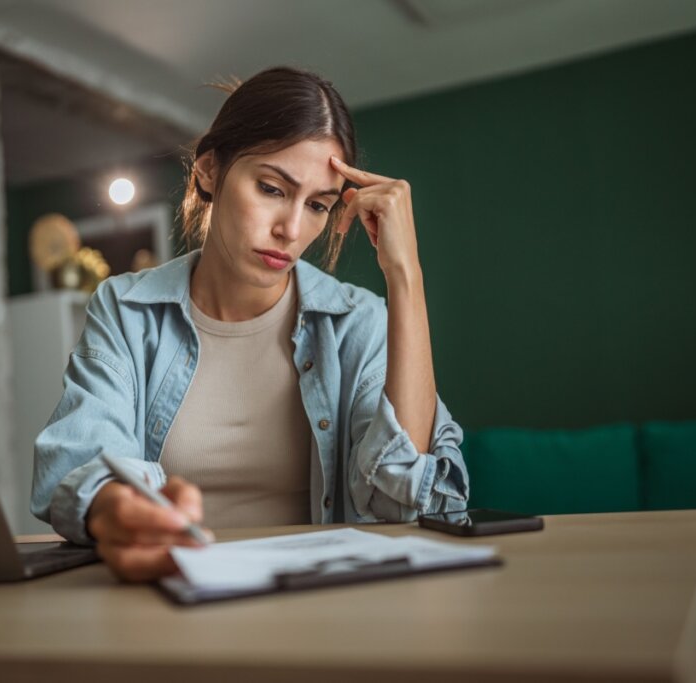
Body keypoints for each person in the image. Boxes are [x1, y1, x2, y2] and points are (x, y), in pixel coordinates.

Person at [32, 66, 469, 582]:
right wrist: (117, 512)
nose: (291, 229)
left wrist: (405, 275)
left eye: (318, 205)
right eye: (271, 188)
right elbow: (80, 459)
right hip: (169, 593)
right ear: (209, 170)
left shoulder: (358, 323)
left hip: (318, 602)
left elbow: (406, 500)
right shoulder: (126, 309)